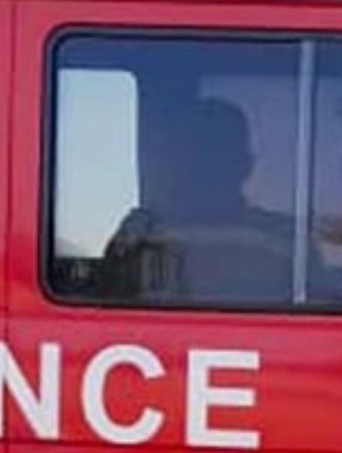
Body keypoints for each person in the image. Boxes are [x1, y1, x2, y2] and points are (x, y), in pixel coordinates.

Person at [101, 97, 291, 303]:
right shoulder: (285, 236)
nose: (205, 170)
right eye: (199, 157)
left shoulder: (140, 233)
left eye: (214, 158)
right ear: (246, 165)